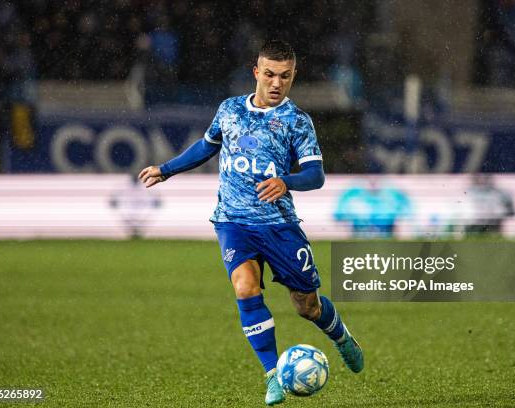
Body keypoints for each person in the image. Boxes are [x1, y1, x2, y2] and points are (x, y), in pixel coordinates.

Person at [138, 40, 363, 405]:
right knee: (245, 288)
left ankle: (342, 339)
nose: (277, 83)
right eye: (270, 74)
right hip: (232, 221)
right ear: (256, 72)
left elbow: (316, 175)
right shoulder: (229, 110)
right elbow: (207, 145)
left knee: (307, 306)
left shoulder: (297, 121)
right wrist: (166, 170)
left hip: (278, 225)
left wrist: (286, 181)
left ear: (293, 76)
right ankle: (273, 375)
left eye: (285, 77)